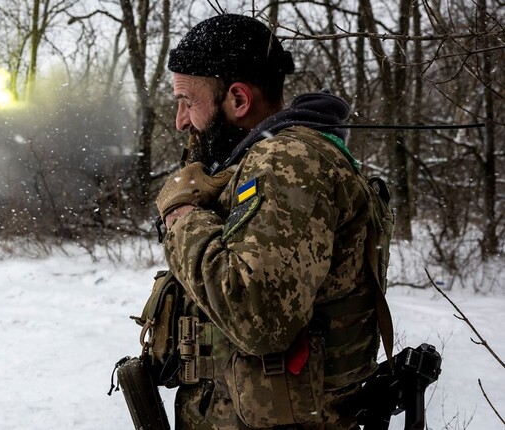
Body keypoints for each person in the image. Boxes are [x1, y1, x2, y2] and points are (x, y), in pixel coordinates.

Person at [154, 13, 388, 430]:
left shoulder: (286, 161)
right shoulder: (259, 162)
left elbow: (258, 317)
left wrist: (182, 215)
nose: (181, 121)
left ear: (238, 99)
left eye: (187, 102)